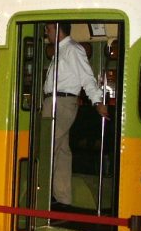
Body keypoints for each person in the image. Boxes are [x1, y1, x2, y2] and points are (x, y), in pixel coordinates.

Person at [42, 22, 107, 209]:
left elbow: (87, 77)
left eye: (49, 29)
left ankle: (42, 196)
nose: (47, 33)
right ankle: (63, 199)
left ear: (58, 29)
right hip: (55, 101)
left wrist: (97, 101)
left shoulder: (72, 49)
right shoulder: (61, 50)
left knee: (48, 147)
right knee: (62, 152)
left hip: (61, 102)